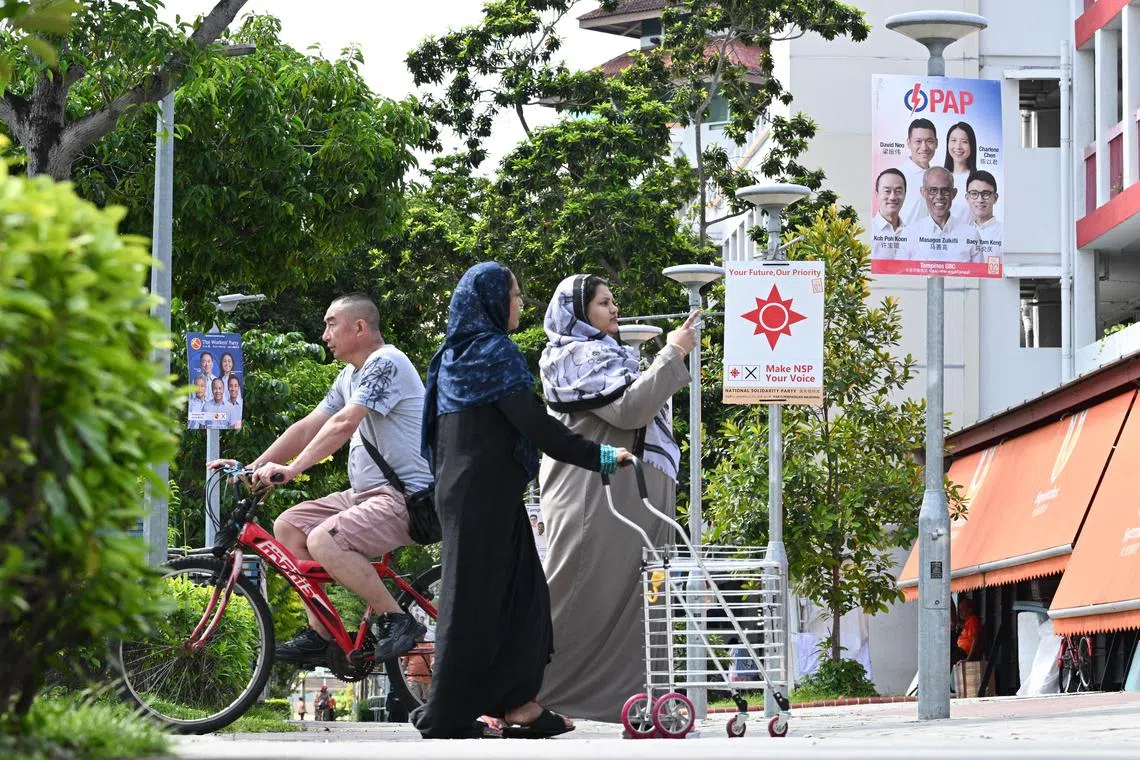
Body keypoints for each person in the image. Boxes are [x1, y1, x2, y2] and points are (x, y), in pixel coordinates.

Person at [409, 262, 631, 740]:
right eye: (513, 295)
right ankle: (447, 713)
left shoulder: (452, 356)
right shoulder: (496, 353)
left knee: (515, 599)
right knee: (477, 602)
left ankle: (518, 706)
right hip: (483, 498)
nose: (519, 304)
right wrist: (602, 456)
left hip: (470, 493)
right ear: (490, 300)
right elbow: (535, 425)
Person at [208, 293, 432, 668]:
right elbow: (309, 425)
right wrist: (255, 466)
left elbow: (343, 425)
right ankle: (321, 632)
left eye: (331, 323)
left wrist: (292, 469)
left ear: (359, 327)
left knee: (324, 540)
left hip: (405, 497)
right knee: (290, 525)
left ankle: (396, 618)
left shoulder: (385, 363)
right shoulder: (350, 375)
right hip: (364, 496)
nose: (324, 334)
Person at [537, 274, 695, 722]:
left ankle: (633, 699)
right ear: (577, 312)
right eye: (604, 303)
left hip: (628, 491)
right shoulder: (574, 356)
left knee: (637, 596)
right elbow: (630, 409)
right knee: (578, 591)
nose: (614, 309)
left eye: (614, 301)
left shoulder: (607, 354)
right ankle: (521, 690)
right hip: (594, 494)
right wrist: (673, 352)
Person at [904, 166, 969, 262]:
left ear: (954, 193)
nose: (939, 196)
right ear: (923, 192)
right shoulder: (909, 235)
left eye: (945, 190)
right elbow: (900, 275)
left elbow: (980, 276)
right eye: (933, 190)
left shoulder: (970, 235)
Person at [899, 118, 938, 225]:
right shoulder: (898, 177)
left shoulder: (939, 177)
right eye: (918, 141)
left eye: (929, 141)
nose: (924, 147)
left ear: (936, 143)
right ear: (908, 143)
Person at [871, 168, 909, 260]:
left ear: (905, 194)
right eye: (887, 191)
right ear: (877, 194)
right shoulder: (869, 231)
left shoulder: (911, 233)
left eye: (898, 191)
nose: (892, 197)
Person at [965, 170, 1002, 265]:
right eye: (974, 194)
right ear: (967, 198)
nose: (980, 200)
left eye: (985, 193)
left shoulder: (1005, 234)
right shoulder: (961, 234)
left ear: (995, 198)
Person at [942, 121, 977, 222]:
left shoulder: (977, 181)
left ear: (971, 145)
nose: (958, 146)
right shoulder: (939, 178)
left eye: (964, 141)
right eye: (953, 140)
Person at [952, 597, 983, 665]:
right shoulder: (968, 622)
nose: (960, 612)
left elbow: (976, 640)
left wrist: (968, 659)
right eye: (959, 610)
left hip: (963, 653)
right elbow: (965, 626)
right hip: (960, 651)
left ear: (970, 610)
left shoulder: (973, 620)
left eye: (963, 609)